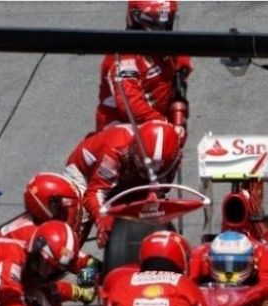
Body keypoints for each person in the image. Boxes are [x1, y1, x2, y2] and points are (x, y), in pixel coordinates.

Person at [63, 120, 182, 246]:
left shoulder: (173, 158)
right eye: (146, 168)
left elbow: (160, 186)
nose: (150, 173)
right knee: (79, 218)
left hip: (128, 176)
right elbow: (94, 193)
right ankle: (72, 254)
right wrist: (101, 216)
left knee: (152, 210)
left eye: (158, 171)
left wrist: (154, 195)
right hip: (86, 175)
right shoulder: (115, 149)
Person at [95, 0, 191, 141]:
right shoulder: (124, 58)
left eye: (169, 19)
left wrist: (178, 120)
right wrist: (167, 128)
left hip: (154, 128)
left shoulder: (165, 49)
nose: (167, 27)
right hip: (120, 133)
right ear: (141, 20)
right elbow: (131, 105)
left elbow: (178, 83)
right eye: (162, 21)